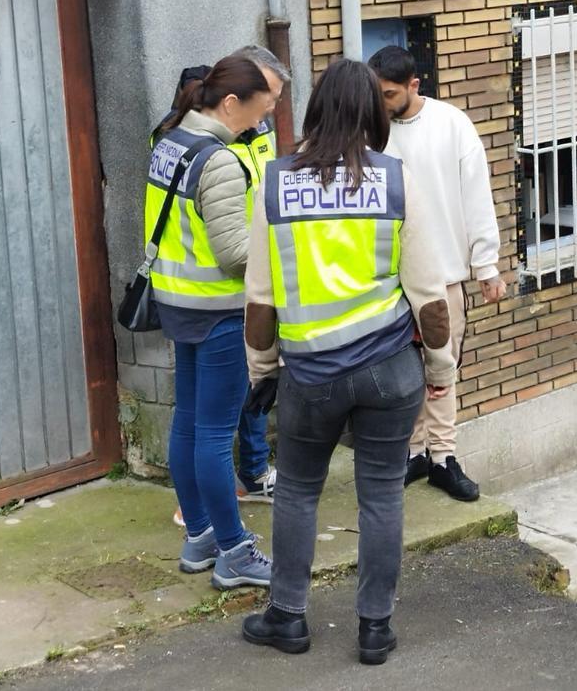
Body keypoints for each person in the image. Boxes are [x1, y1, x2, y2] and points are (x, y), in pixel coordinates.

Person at [240, 58, 456, 665]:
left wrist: (262, 373)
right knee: (383, 493)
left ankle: (287, 617)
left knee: (298, 493)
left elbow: (260, 299)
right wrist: (440, 372)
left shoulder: (275, 183)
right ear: (371, 114)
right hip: (389, 367)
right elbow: (430, 296)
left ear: (315, 109)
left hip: (310, 375)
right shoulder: (395, 180)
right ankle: (375, 630)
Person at [144, 53, 283, 590]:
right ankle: (233, 549)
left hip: (178, 304)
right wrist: (280, 251)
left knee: (188, 422)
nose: (259, 122)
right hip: (220, 311)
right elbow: (232, 252)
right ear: (230, 103)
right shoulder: (218, 159)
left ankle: (200, 535)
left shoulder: (170, 141)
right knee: (215, 433)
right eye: (256, 110)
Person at [366, 45, 503, 502]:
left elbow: (476, 197)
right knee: (403, 373)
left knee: (441, 370)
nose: (381, 103)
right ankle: (414, 452)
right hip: (389, 277)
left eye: (388, 94)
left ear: (413, 85)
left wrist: (486, 265)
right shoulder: (371, 132)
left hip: (443, 275)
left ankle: (443, 456)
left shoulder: (451, 124)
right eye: (376, 94)